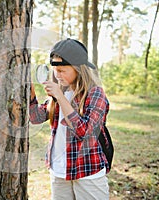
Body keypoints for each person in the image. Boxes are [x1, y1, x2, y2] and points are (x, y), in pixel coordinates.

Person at [30, 38, 110, 200]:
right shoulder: (59, 93)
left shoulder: (95, 94)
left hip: (87, 172)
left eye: (62, 71)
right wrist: (30, 93)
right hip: (59, 170)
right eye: (55, 70)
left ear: (78, 69)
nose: (57, 75)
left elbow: (85, 132)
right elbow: (35, 118)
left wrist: (60, 97)